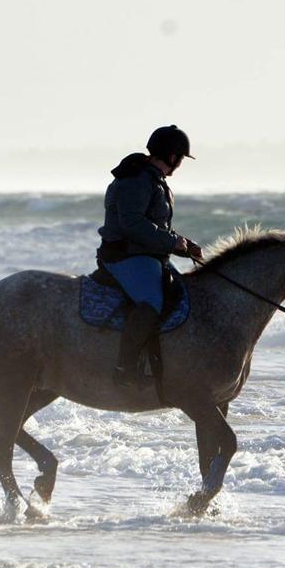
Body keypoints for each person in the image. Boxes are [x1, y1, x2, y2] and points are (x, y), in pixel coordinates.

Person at [97, 125, 204, 387]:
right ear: (171, 156)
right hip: (125, 256)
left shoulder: (154, 180)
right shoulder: (137, 179)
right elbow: (133, 224)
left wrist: (184, 244)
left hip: (145, 255)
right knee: (152, 300)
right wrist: (171, 242)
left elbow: (157, 225)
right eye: (179, 158)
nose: (179, 164)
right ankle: (125, 368)